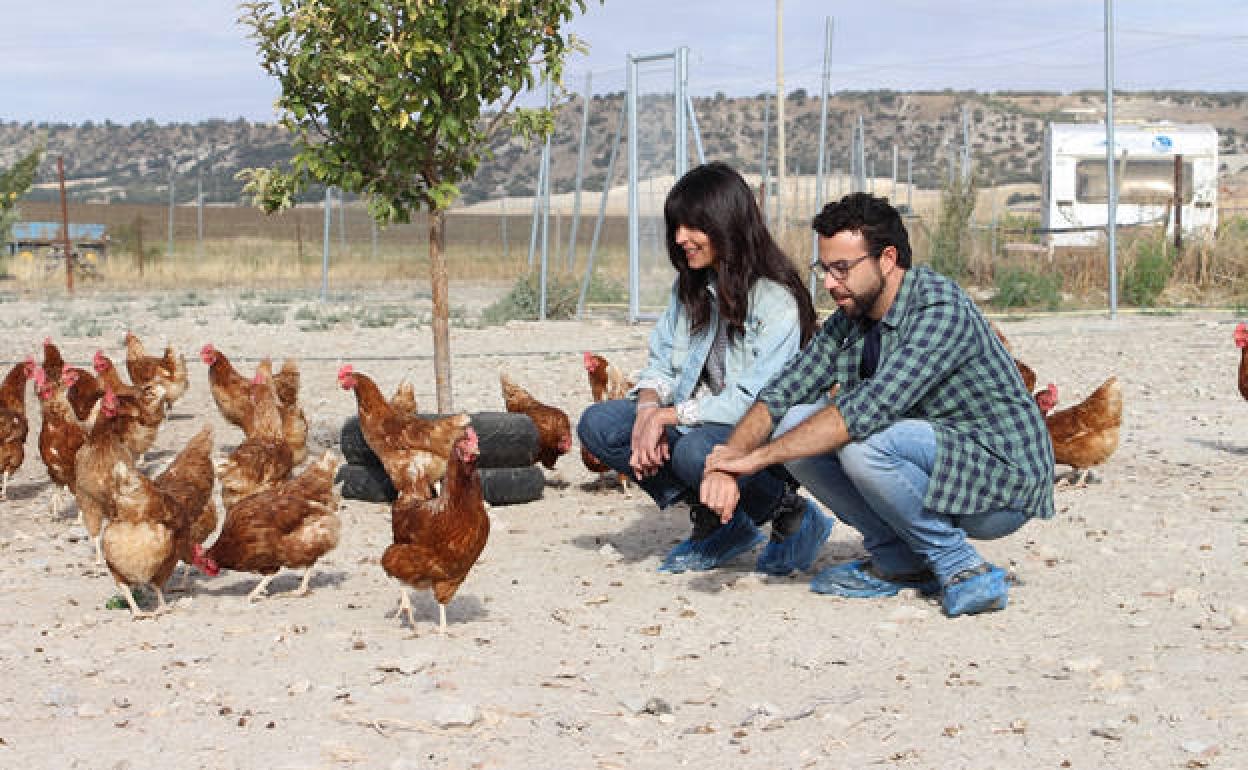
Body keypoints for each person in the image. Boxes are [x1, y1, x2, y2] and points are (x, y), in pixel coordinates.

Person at [702, 192, 1055, 617]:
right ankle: (898, 559)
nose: (830, 283)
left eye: (842, 269)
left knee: (862, 442)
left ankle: (961, 567)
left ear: (886, 259)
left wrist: (755, 461)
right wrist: (729, 459)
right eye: (824, 269)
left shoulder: (938, 308)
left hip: (1000, 480)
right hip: (935, 463)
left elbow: (863, 413)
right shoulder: (851, 317)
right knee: (794, 422)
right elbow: (782, 393)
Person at [577, 161, 831, 575]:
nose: (680, 239)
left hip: (761, 435)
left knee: (697, 451)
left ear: (727, 224)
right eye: (676, 227)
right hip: (698, 422)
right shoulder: (690, 287)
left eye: (692, 227)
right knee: (600, 425)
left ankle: (789, 511)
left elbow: (754, 402)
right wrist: (646, 414)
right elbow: (661, 363)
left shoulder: (776, 301)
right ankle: (720, 523)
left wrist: (667, 416)